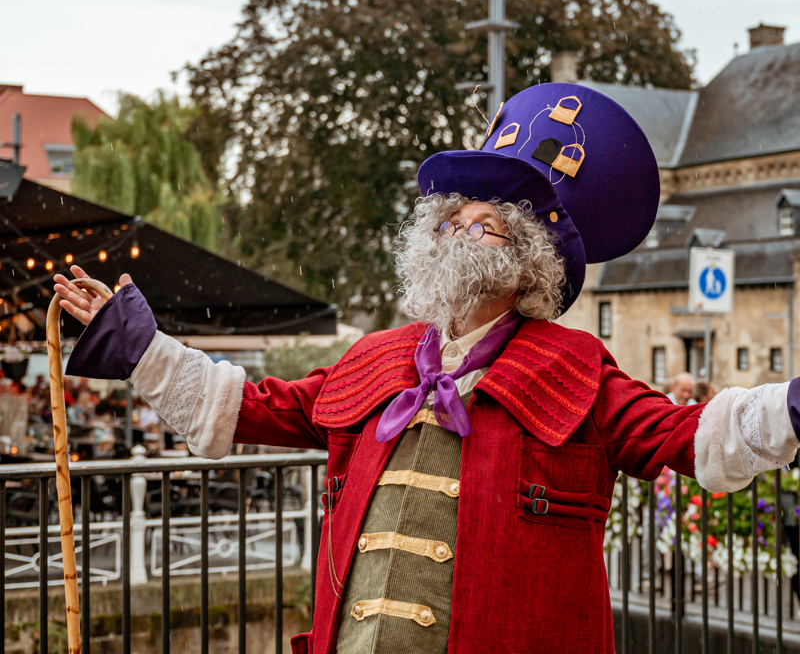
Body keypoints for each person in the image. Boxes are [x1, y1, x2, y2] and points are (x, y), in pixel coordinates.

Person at [54, 83, 800, 653]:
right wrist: (137, 345)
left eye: (488, 224)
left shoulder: (575, 365)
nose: (460, 231)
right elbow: (254, 409)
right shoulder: (377, 356)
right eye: (452, 218)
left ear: (529, 262)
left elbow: (686, 435)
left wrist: (792, 406)